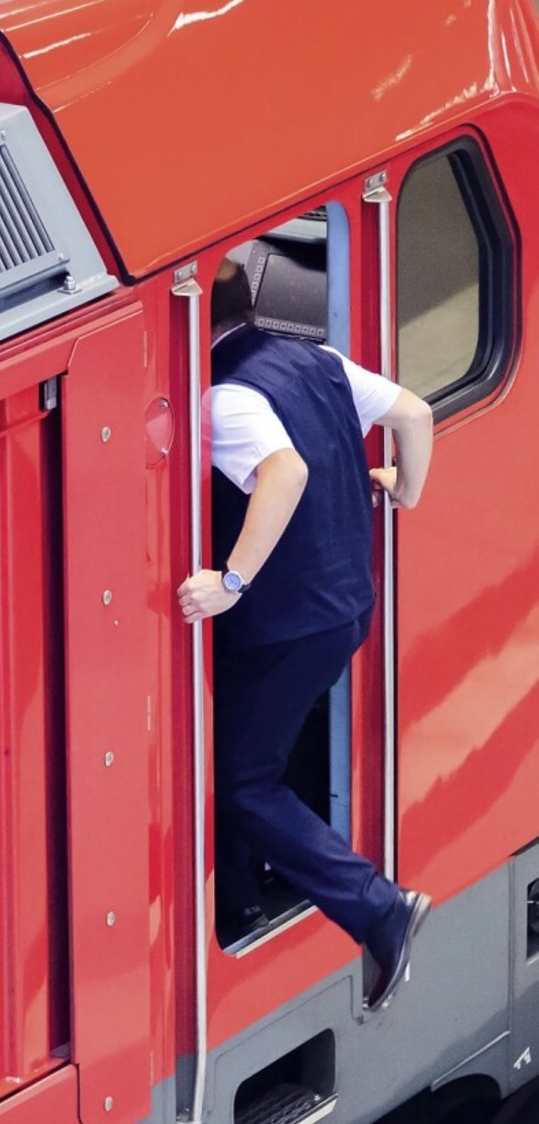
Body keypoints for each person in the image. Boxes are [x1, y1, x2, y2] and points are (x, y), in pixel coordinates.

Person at [177, 259, 434, 1011]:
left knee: (240, 780)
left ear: (192, 320)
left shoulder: (224, 396)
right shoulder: (314, 358)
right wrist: (405, 491)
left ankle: (378, 907)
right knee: (255, 746)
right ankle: (248, 894)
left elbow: (282, 473)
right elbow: (414, 415)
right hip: (351, 603)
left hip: (288, 622)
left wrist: (228, 583)